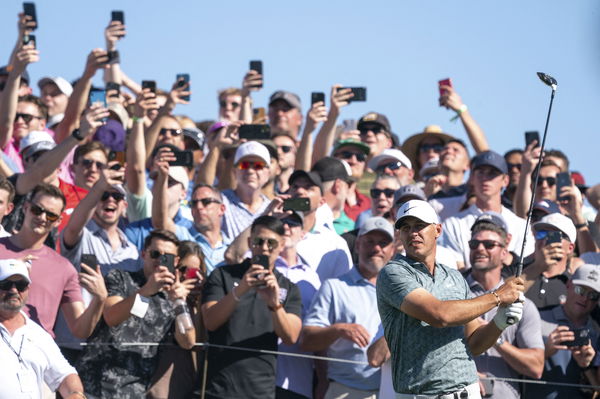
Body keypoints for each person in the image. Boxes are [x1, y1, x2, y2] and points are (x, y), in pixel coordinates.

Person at [376, 199, 525, 397]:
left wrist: (498, 323)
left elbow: (474, 343)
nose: (413, 233)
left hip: (467, 391)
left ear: (437, 230)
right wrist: (497, 297)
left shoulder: (454, 276)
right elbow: (439, 315)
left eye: (419, 226)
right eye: (405, 227)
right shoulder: (393, 273)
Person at [77, 229, 196, 398]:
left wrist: (179, 302)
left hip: (133, 391)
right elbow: (111, 316)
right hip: (94, 384)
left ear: (176, 262)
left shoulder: (172, 299)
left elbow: (188, 341)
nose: (159, 261)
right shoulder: (120, 278)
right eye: (155, 254)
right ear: (143, 254)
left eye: (166, 257)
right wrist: (147, 290)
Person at [201, 216, 302, 399]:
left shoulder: (288, 288)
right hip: (218, 388)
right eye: (258, 241)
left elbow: (291, 337)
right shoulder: (222, 275)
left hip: (260, 390)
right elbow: (210, 321)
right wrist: (240, 290)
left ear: (281, 246)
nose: (264, 247)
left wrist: (275, 305)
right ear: (249, 242)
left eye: (271, 242)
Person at [302, 217, 396, 399]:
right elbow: (307, 340)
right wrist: (339, 330)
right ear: (358, 245)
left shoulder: (402, 291)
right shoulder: (334, 287)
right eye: (370, 242)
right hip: (345, 390)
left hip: (392, 391)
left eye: (383, 243)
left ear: (392, 250)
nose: (376, 248)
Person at [0, 183, 107, 339]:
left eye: (51, 215)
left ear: (58, 221)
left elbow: (80, 331)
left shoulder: (64, 268)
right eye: (37, 210)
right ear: (25, 207)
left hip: (36, 356)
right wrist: (8, 268)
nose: (42, 218)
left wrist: (100, 298)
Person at [464, 212, 544, 398]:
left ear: (504, 253)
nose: (480, 249)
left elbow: (536, 367)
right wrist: (464, 375)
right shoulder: (454, 296)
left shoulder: (523, 305)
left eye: (489, 244)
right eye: (474, 244)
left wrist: (493, 335)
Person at [0, 258, 86, 399]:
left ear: (28, 289)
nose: (14, 290)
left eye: (21, 285)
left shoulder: (38, 335)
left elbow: (65, 375)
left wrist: (75, 393)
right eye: (6, 284)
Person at [439, 150, 534, 270]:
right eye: (480, 173)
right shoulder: (453, 223)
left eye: (493, 173)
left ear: (505, 181)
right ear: (472, 178)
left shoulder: (521, 226)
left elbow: (525, 269)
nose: (485, 179)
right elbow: (456, 269)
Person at [525, 264, 600, 398]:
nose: (585, 298)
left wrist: (586, 366)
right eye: (580, 290)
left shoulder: (597, 332)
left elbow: (596, 389)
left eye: (593, 295)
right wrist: (544, 352)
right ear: (569, 285)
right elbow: (511, 368)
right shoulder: (537, 317)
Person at [288, 170, 353, 281]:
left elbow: (343, 286)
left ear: (321, 201)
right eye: (295, 187)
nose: (299, 191)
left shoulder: (335, 244)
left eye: (308, 188)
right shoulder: (272, 232)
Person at [521, 212, 578, 309]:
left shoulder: (572, 285)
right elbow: (500, 299)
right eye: (541, 234)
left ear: (570, 248)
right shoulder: (517, 270)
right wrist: (538, 266)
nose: (545, 240)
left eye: (554, 236)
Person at [311, 157, 355, 235]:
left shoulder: (303, 218)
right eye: (348, 184)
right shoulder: (352, 228)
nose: (349, 189)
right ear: (338, 185)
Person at [331, 139, 372, 221]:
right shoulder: (323, 198)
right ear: (333, 159)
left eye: (360, 157)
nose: (353, 161)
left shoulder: (369, 204)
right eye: (346, 155)